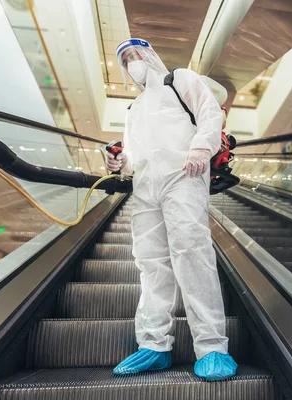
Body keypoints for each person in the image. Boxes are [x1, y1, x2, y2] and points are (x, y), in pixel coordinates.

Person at [105, 38, 237, 381]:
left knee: (191, 253)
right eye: (126, 60)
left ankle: (211, 347)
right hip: (146, 187)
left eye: (136, 55)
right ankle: (153, 344)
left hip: (185, 175)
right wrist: (117, 161)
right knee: (150, 262)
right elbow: (131, 157)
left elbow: (210, 114)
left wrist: (199, 149)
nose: (133, 63)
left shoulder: (180, 80)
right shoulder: (133, 109)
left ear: (151, 55)